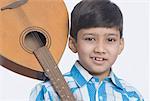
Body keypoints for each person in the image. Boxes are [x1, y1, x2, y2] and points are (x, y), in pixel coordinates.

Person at [30, 0, 144, 100]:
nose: (100, 49)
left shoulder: (131, 96)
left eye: (110, 39)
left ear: (120, 45)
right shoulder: (47, 92)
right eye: (90, 39)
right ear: (73, 44)